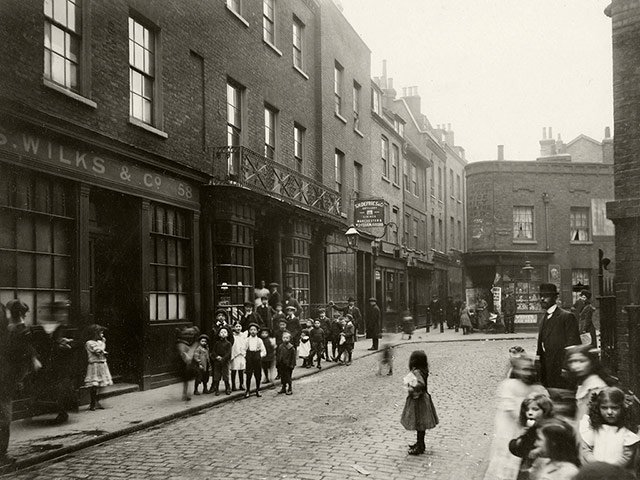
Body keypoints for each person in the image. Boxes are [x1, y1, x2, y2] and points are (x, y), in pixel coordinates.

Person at [483, 356, 548, 480]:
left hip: (525, 432)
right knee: (507, 463)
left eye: (530, 369)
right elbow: (515, 413)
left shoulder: (535, 388)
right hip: (510, 432)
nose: (528, 373)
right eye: (523, 369)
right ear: (516, 370)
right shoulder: (508, 385)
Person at [0, 300, 41, 464]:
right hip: (4, 382)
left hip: (6, 380)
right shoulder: (18, 331)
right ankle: (1, 456)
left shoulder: (14, 330)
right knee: (4, 418)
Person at [579, 387, 640, 470]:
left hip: (617, 472)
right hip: (595, 469)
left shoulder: (627, 432)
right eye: (604, 408)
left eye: (614, 408)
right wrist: (596, 465)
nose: (609, 412)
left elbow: (626, 457)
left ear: (623, 408)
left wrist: (609, 470)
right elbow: (586, 450)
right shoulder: (593, 427)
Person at [536, 283, 580, 389]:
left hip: (561, 372)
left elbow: (574, 347)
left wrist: (566, 370)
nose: (542, 299)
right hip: (546, 373)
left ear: (555, 298)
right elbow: (540, 348)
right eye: (540, 295)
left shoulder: (566, 317)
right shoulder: (543, 319)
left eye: (546, 296)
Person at [400, 350, 439, 455]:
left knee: (419, 423)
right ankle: (420, 443)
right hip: (423, 399)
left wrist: (412, 387)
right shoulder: (423, 370)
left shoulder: (417, 372)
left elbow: (420, 384)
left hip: (419, 400)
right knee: (420, 424)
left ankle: (420, 446)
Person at [509, 393, 555, 480]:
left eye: (535, 409)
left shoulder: (550, 429)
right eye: (527, 409)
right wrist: (522, 436)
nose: (529, 413)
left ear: (545, 411)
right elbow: (518, 449)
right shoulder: (530, 428)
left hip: (543, 466)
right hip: (528, 465)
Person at [566, 344, 614, 420]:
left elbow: (584, 418)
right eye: (571, 362)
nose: (575, 366)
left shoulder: (595, 386)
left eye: (581, 361)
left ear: (592, 362)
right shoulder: (583, 381)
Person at [84, 324, 113, 411]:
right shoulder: (89, 343)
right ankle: (92, 403)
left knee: (101, 384)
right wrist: (103, 348)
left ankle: (97, 401)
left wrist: (103, 343)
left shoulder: (100, 342)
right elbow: (98, 350)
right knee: (94, 384)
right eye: (100, 333)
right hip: (95, 365)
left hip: (102, 364)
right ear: (94, 334)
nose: (102, 335)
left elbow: (102, 349)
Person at [175, 325, 199, 401]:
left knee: (188, 378)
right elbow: (184, 355)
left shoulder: (190, 343)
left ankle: (187, 393)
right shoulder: (181, 344)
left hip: (188, 363)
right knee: (187, 378)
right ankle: (185, 393)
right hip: (183, 363)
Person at [244, 323, 266, 398]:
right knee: (249, 374)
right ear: (249, 331)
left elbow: (263, 351)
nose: (253, 331)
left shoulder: (259, 340)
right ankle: (248, 390)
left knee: (258, 374)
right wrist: (246, 356)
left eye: (254, 330)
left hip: (257, 357)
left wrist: (259, 356)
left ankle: (258, 389)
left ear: (257, 331)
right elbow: (243, 349)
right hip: (249, 356)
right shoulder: (247, 340)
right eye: (251, 330)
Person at [210, 326, 232, 395]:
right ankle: (217, 389)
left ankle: (227, 388)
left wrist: (223, 358)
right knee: (217, 375)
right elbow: (213, 351)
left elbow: (229, 353)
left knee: (225, 375)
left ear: (227, 334)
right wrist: (217, 357)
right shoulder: (217, 343)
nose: (223, 333)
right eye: (221, 332)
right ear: (219, 334)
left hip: (225, 362)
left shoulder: (228, 344)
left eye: (225, 332)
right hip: (217, 362)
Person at [230, 322, 247, 391]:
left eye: (239, 326)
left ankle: (241, 384)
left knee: (241, 370)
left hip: (241, 354)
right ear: (234, 327)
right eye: (236, 326)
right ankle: (233, 385)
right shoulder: (232, 336)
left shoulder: (243, 335)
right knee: (233, 370)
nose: (238, 328)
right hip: (234, 354)